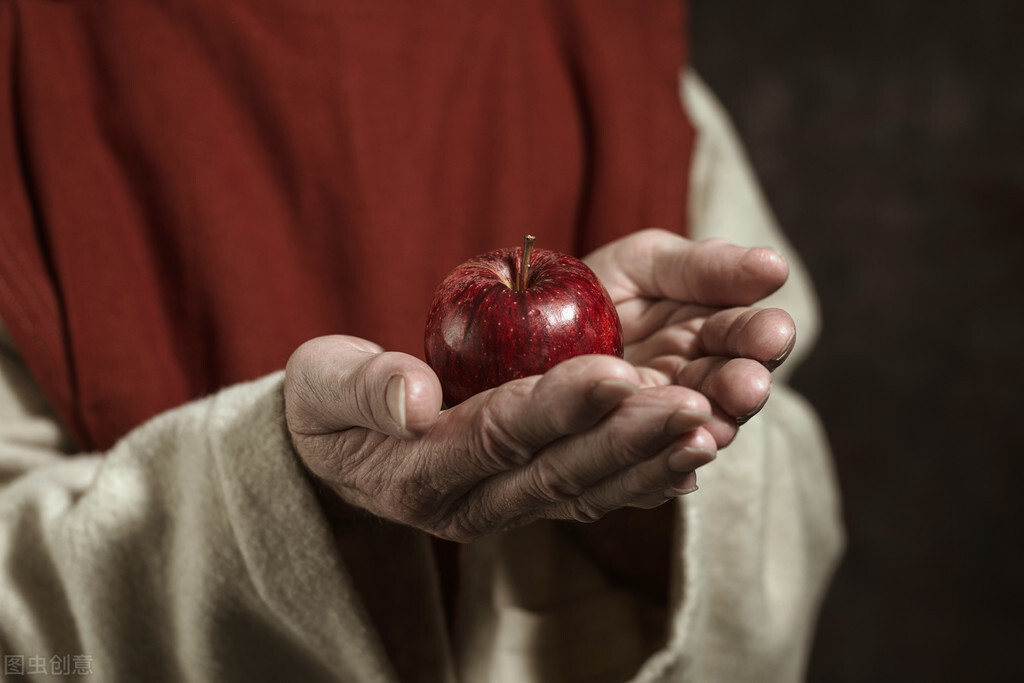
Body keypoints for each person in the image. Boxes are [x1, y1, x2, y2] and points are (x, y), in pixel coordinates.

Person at [0, 1, 843, 681]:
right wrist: (283, 490)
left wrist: (651, 497)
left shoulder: (606, 36)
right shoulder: (29, 61)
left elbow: (789, 474)